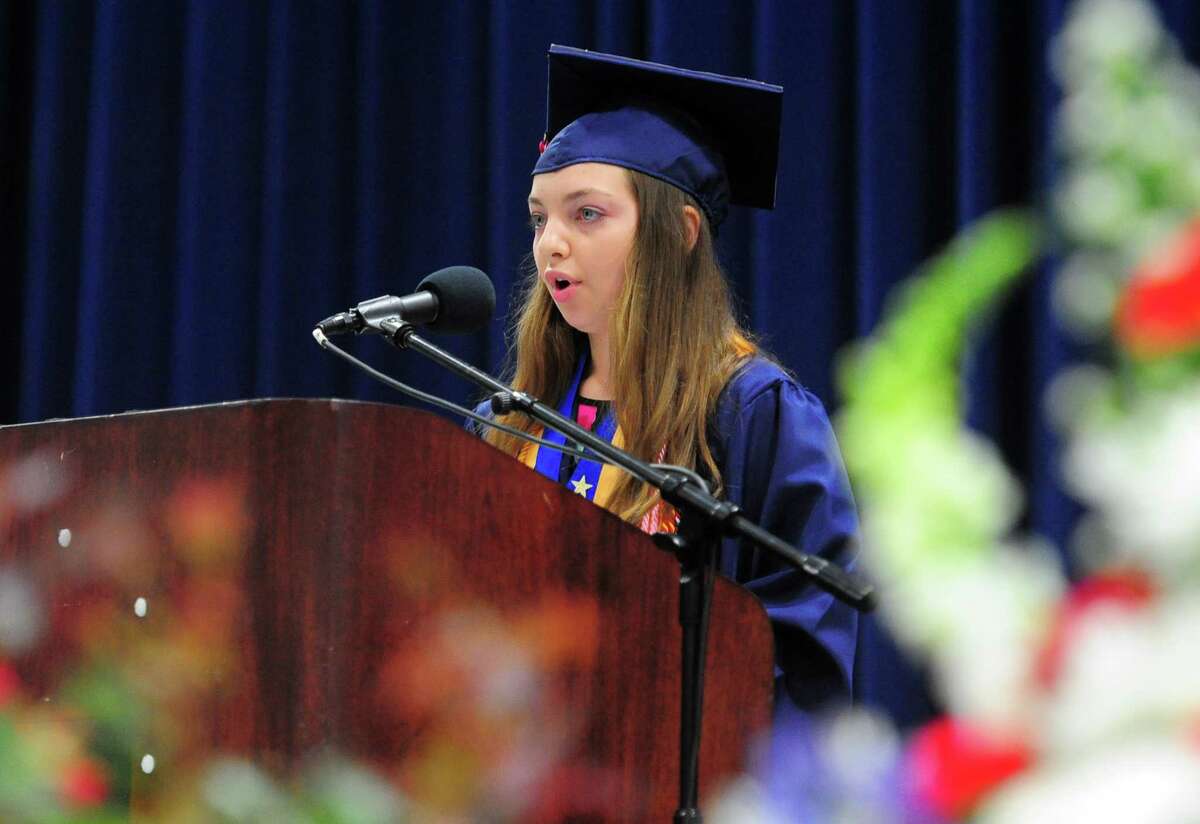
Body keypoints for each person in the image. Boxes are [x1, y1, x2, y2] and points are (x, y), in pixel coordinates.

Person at [479, 45, 859, 717]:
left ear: (680, 232)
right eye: (541, 217)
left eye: (585, 213)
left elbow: (803, 653)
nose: (550, 244)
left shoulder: (752, 414)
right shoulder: (508, 422)